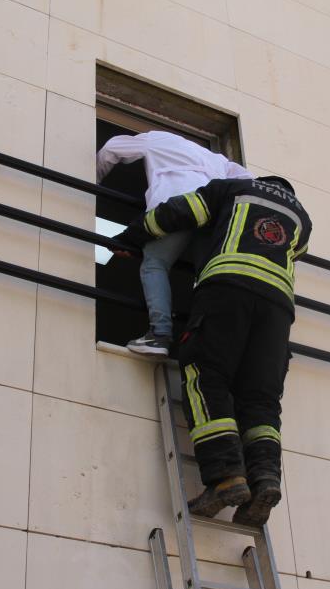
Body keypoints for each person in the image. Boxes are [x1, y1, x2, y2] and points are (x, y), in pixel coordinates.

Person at [115, 175, 311, 526]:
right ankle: (264, 478)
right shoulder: (302, 219)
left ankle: (225, 478)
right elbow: (293, 253)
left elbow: (181, 211)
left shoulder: (233, 188)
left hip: (227, 289)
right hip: (278, 312)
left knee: (205, 375)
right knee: (260, 398)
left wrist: (133, 235)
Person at [97, 131, 253, 356]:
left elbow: (112, 148)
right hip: (213, 217)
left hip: (176, 208)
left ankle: (159, 335)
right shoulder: (217, 159)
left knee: (155, 264)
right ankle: (211, 344)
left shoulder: (158, 138)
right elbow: (249, 181)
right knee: (206, 278)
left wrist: (93, 178)